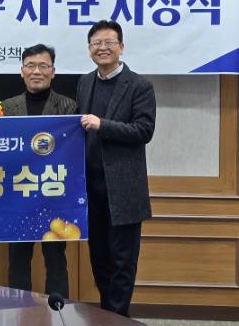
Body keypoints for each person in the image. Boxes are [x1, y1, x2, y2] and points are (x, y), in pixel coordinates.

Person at [78, 20, 156, 317]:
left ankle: (117, 318)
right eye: (96, 43)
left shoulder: (139, 85)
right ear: (89, 49)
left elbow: (144, 130)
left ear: (121, 47)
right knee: (99, 258)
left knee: (123, 261)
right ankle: (107, 314)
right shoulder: (85, 82)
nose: (103, 48)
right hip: (91, 188)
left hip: (124, 189)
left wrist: (103, 125)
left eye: (109, 42)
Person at [3, 44, 75, 297]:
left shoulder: (68, 107)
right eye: (30, 66)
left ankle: (58, 311)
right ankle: (18, 310)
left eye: (43, 66)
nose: (36, 71)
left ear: (52, 72)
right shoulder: (6, 108)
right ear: (21, 71)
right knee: (18, 260)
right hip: (18, 194)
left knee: (56, 261)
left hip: (54, 195)